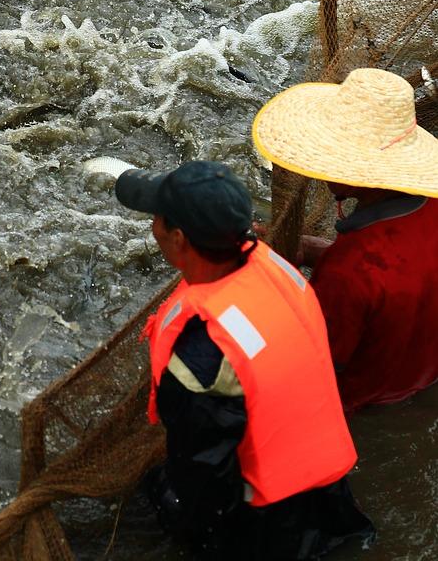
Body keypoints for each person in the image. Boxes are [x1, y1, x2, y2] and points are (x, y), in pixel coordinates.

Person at [113, 159, 374, 560]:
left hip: (269, 522)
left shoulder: (200, 353)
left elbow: (204, 478)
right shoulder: (275, 268)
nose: (154, 228)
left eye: (158, 219)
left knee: (155, 492)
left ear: (179, 238)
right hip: (331, 496)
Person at [252, 65, 438, 412]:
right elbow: (399, 278)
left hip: (365, 399)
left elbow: (313, 365)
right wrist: (306, 248)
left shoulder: (348, 272)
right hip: (423, 374)